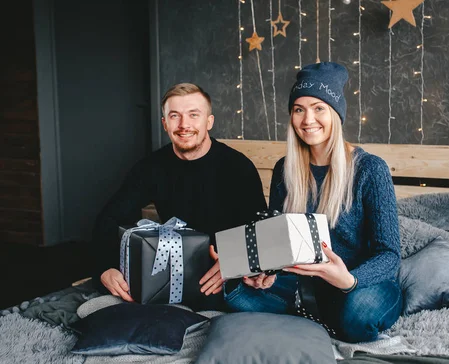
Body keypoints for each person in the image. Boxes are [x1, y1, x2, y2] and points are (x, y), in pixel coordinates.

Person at [223, 62, 403, 343]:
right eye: (299, 109)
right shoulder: (285, 170)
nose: (308, 119)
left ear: (335, 114)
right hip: (303, 285)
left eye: (319, 108)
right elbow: (280, 245)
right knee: (234, 293)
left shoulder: (370, 169)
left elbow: (389, 254)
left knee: (358, 312)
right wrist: (267, 275)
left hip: (362, 283)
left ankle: (308, 320)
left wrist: (349, 280)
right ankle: (311, 318)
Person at [92, 82, 267, 310]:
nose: (184, 125)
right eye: (175, 116)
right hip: (173, 269)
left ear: (209, 122)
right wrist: (105, 269)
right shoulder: (151, 167)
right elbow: (109, 218)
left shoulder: (237, 166)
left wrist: (236, 262)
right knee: (108, 308)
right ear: (165, 124)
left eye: (194, 115)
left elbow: (260, 229)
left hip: (226, 275)